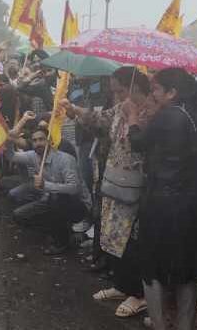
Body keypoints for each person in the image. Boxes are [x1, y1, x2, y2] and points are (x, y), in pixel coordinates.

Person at [124, 67, 197, 330]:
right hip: (195, 203)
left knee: (152, 268)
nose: (152, 94)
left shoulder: (169, 115)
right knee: (187, 272)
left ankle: (159, 324)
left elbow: (137, 143)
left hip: (163, 204)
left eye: (155, 89)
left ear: (172, 92)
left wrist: (132, 117)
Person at [63, 67, 151, 318]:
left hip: (137, 185)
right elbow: (100, 122)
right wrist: (75, 111)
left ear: (135, 88)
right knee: (113, 234)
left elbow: (143, 144)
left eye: (120, 91)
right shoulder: (120, 107)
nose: (117, 96)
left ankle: (139, 294)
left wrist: (133, 117)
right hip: (113, 180)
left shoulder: (149, 112)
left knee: (132, 239)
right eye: (114, 92)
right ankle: (122, 285)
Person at [6, 112, 91, 255]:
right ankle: (57, 231)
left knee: (56, 198)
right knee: (19, 215)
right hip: (50, 200)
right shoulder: (33, 156)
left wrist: (46, 185)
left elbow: (74, 188)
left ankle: (62, 242)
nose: (38, 143)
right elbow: (11, 155)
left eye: (41, 139)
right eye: (34, 140)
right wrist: (10, 138)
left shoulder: (65, 159)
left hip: (78, 205)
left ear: (49, 141)